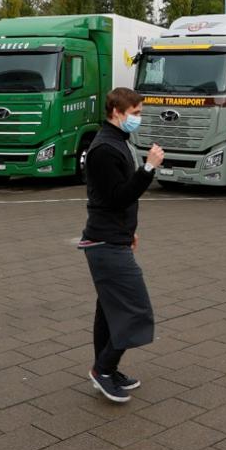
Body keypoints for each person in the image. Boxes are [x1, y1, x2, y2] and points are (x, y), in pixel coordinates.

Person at [78, 87, 163, 403]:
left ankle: (107, 370)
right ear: (116, 112)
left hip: (114, 238)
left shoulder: (117, 142)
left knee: (110, 310)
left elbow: (116, 197)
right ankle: (102, 370)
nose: (138, 119)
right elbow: (117, 197)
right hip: (104, 244)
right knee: (135, 310)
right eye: (135, 113)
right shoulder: (103, 149)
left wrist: (129, 231)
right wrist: (149, 168)